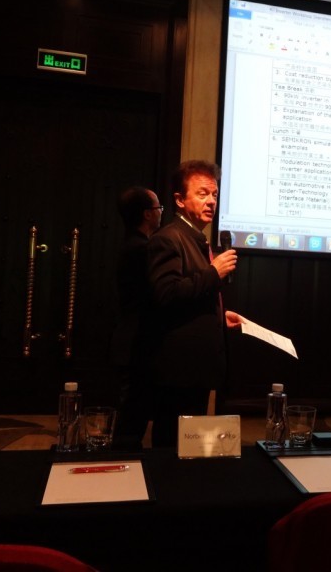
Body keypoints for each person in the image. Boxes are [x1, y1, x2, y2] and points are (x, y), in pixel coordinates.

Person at [146, 160, 241, 447]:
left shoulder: (196, 239)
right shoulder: (168, 238)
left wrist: (218, 316)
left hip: (195, 369)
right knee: (171, 446)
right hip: (178, 370)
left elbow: (192, 295)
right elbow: (166, 294)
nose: (211, 201)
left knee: (189, 447)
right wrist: (214, 272)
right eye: (202, 194)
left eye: (214, 194)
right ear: (180, 199)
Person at [111, 186, 163, 445]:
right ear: (147, 214)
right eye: (158, 208)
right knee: (132, 417)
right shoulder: (142, 249)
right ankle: (124, 461)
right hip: (138, 343)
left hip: (130, 339)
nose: (161, 212)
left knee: (133, 411)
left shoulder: (131, 244)